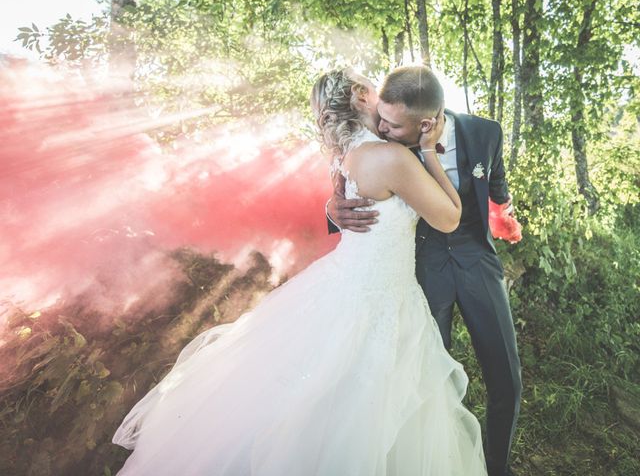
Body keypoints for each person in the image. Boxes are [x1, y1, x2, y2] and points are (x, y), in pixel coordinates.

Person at [112, 68, 487, 475]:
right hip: (378, 296)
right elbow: (449, 219)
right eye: (370, 83)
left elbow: (358, 198)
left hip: (351, 283)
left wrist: (334, 206)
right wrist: (429, 150)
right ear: (362, 95)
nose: (379, 86)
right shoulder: (391, 155)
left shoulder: (348, 155)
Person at [327, 66, 522, 476]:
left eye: (392, 125)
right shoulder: (388, 130)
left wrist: (505, 216)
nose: (382, 126)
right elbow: (350, 175)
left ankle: (496, 467)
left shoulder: (486, 132)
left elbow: (497, 189)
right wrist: (330, 209)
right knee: (429, 379)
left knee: (506, 376)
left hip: (476, 262)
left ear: (427, 123)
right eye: (380, 119)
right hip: (422, 267)